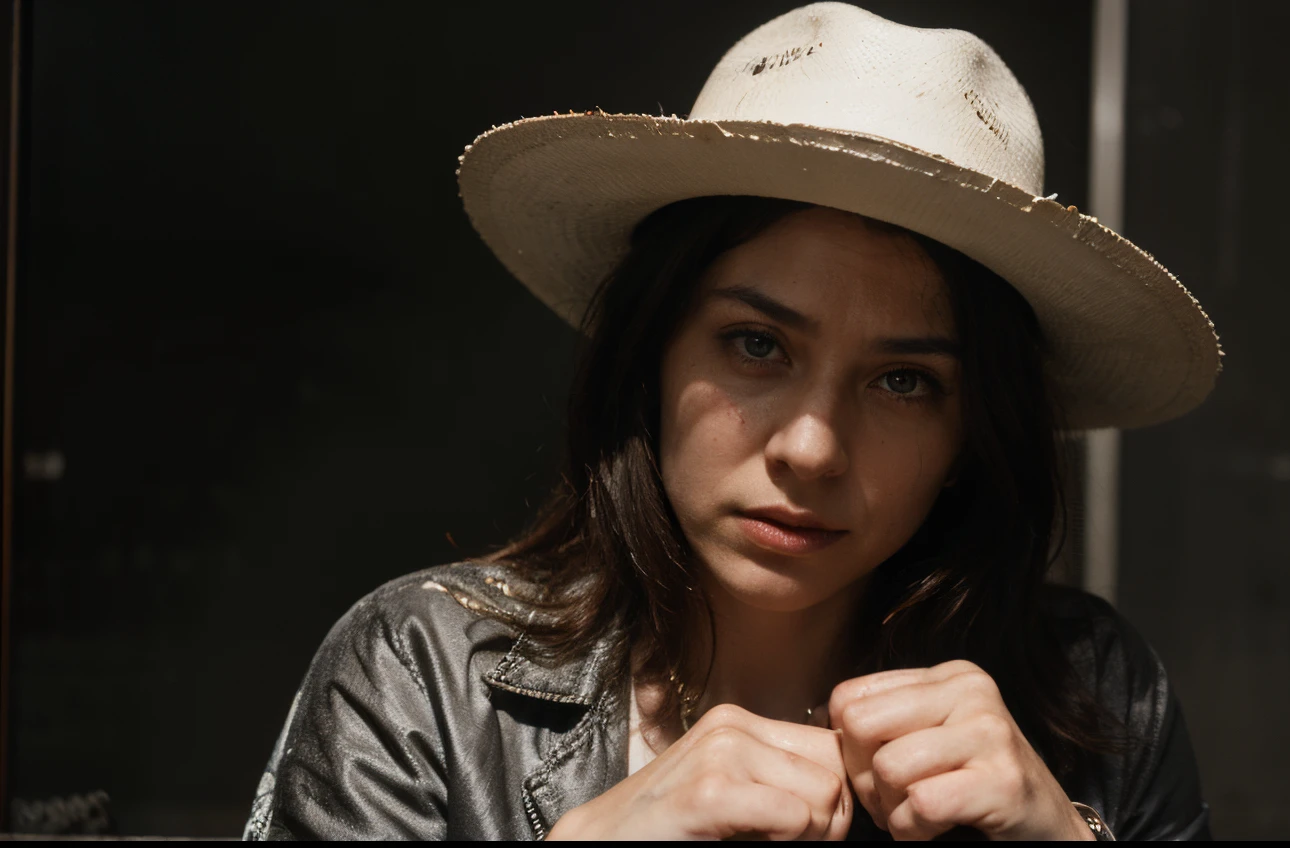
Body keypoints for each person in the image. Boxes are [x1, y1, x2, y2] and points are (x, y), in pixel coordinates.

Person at [244, 2, 1221, 841]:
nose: (810, 446)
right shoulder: (424, 681)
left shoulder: (1099, 702)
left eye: (904, 382)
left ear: (973, 432)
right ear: (651, 355)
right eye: (758, 345)